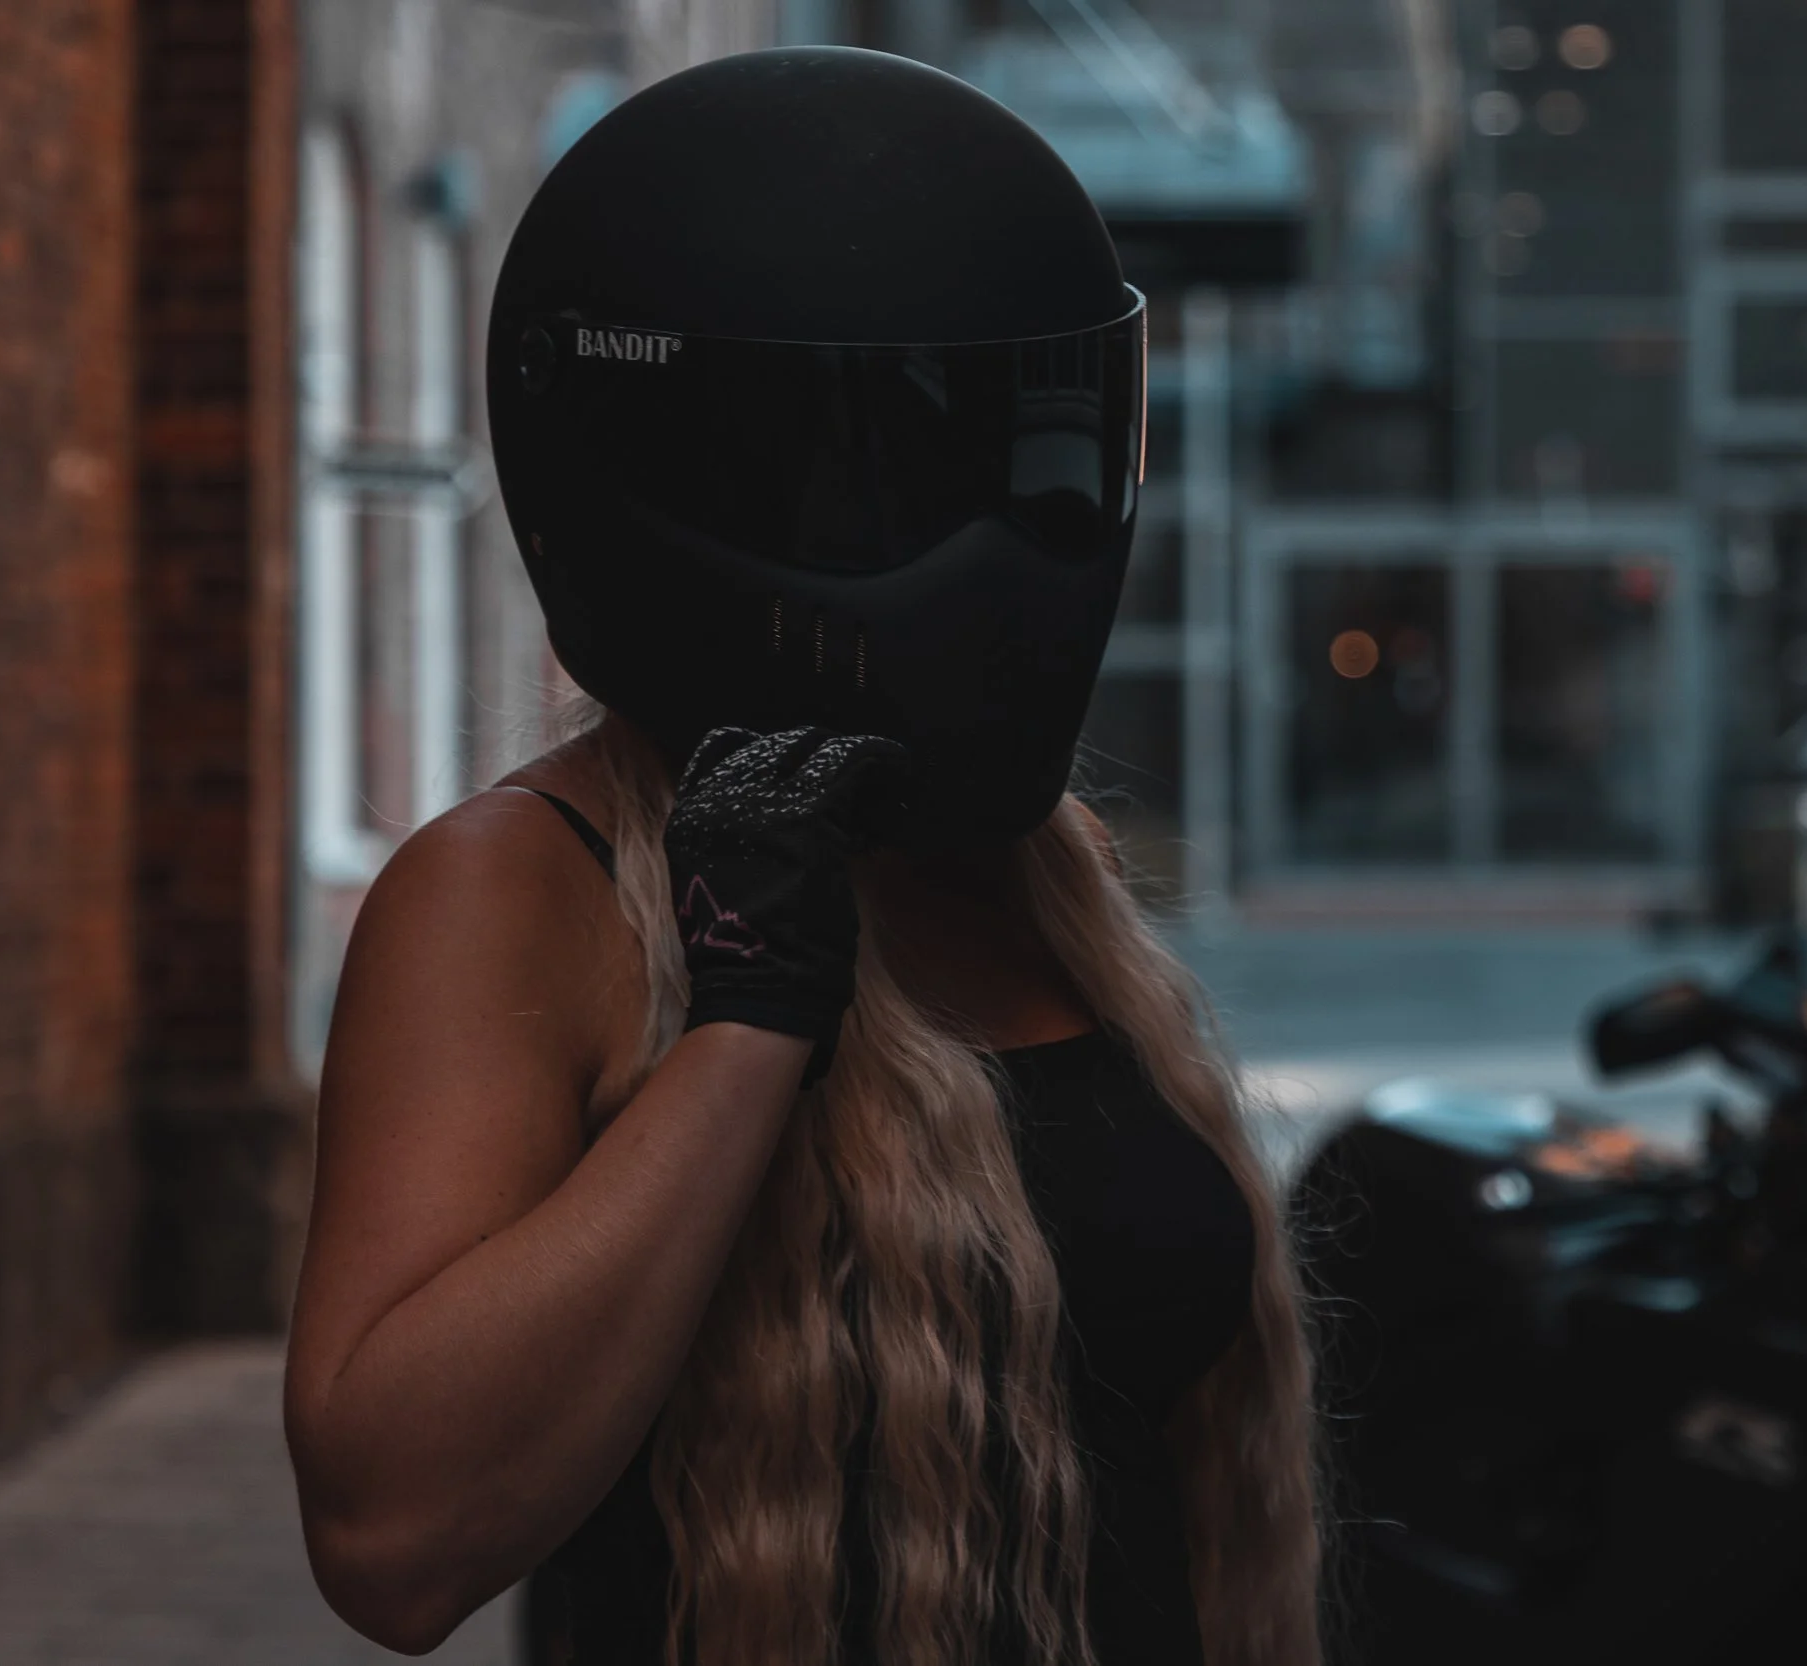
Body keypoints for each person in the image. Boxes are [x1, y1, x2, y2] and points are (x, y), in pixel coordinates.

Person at [282, 47, 1321, 1666]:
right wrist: (748, 1024)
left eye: (1024, 452)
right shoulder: (520, 890)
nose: (988, 539)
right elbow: (392, 1538)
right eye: (887, 469)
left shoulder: (1037, 865)